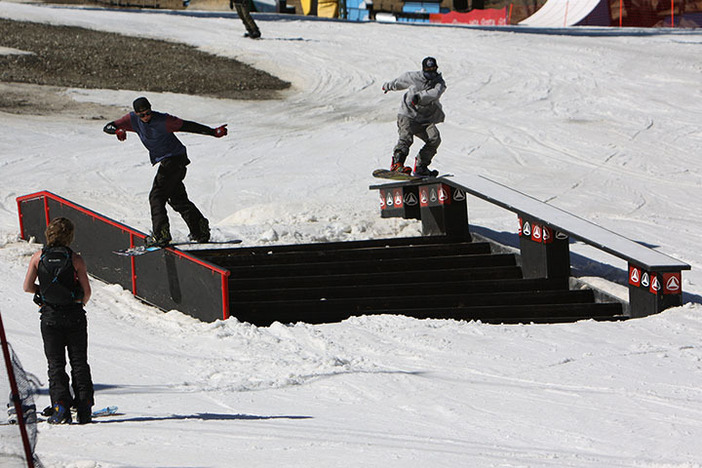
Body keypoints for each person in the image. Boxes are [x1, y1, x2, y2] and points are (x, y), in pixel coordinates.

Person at [103, 97, 228, 247]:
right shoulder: (131, 119)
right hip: (169, 162)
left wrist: (213, 132)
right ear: (136, 114)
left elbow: (188, 126)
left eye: (148, 113)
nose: (146, 117)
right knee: (177, 198)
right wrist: (118, 130)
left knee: (156, 196)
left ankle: (161, 234)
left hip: (175, 160)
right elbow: (108, 126)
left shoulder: (163, 120)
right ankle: (200, 229)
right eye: (142, 115)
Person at [23, 217, 94, 425]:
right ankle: (84, 407)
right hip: (74, 316)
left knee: (56, 364)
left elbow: (27, 287)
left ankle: (60, 407)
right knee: (79, 362)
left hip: (50, 317)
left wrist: (43, 292)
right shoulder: (76, 259)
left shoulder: (38, 257)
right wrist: (76, 301)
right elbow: (87, 292)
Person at [382, 56, 447, 177]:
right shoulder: (413, 77)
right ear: (424, 70)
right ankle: (397, 164)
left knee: (434, 138)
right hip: (408, 114)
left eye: (434, 70)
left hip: (425, 119)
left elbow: (436, 93)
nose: (432, 73)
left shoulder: (439, 82)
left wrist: (419, 97)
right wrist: (387, 86)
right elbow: (398, 83)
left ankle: (421, 166)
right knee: (406, 138)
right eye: (429, 71)